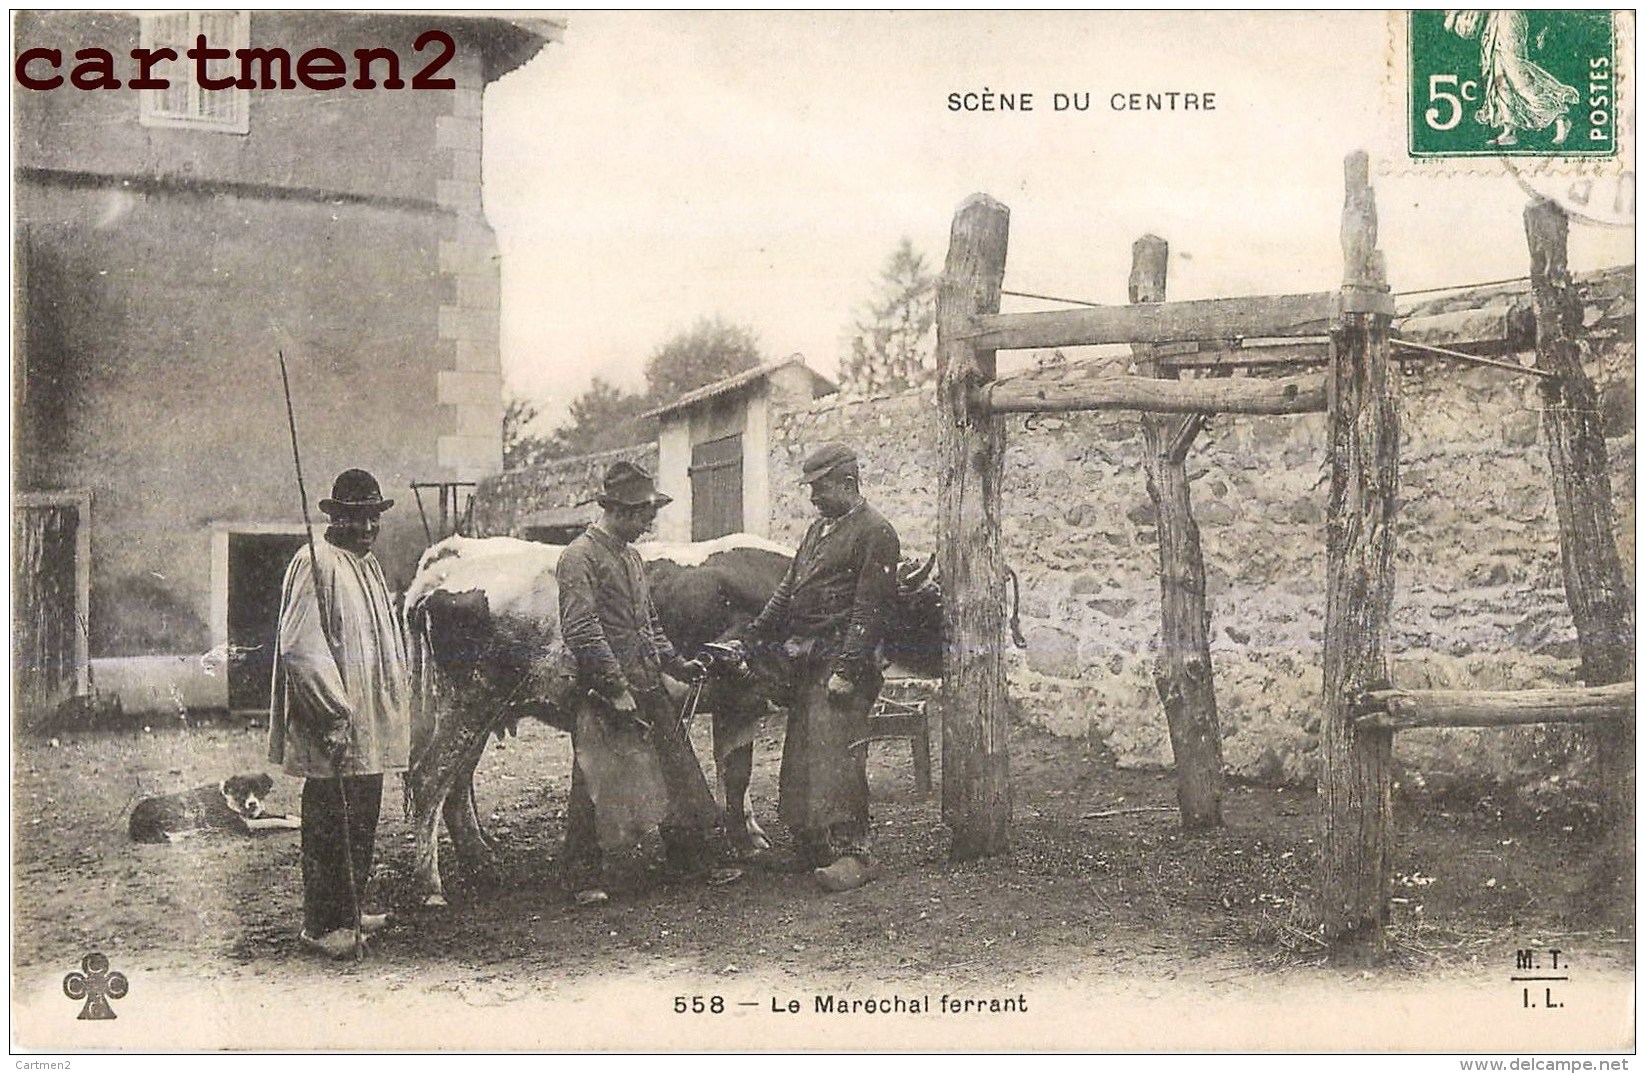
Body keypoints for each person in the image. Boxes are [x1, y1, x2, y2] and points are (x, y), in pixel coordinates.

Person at [557, 460, 741, 905]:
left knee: (677, 767)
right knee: (594, 778)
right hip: (604, 690)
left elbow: (649, 623)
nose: (647, 524)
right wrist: (615, 687)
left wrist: (677, 665)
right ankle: (583, 878)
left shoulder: (632, 557)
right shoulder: (578, 558)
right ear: (618, 511)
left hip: (646, 682)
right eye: (643, 515)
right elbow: (582, 630)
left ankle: (692, 860)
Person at [741, 443, 900, 892]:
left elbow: (871, 610)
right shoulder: (818, 530)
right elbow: (789, 587)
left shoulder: (877, 532)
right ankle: (808, 844)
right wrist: (756, 632)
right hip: (808, 660)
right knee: (802, 756)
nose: (813, 497)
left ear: (848, 484)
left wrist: (848, 670)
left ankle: (855, 852)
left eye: (820, 487)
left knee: (839, 757)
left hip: (843, 661)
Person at [269, 468, 412, 959]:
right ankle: (321, 923)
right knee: (331, 818)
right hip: (334, 721)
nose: (368, 527)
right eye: (357, 517)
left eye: (374, 516)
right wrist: (332, 712)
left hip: (367, 719)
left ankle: (349, 910)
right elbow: (300, 646)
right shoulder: (315, 562)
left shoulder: (366, 565)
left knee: (363, 812)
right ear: (336, 517)